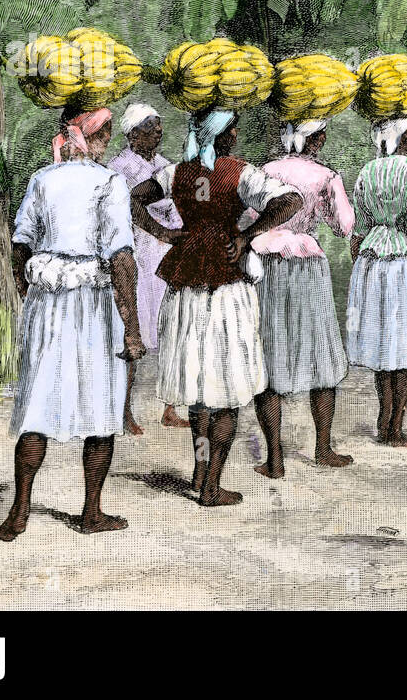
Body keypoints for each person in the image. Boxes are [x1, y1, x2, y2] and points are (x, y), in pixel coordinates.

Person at [130, 109, 302, 506]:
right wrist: (247, 235)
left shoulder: (177, 173)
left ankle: (199, 470)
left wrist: (166, 233)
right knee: (224, 388)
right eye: (232, 129)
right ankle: (211, 486)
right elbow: (291, 200)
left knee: (198, 388)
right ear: (222, 135)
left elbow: (134, 198)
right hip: (225, 286)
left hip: (186, 283)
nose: (237, 134)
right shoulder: (239, 173)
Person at [0, 107, 146, 541]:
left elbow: (20, 244)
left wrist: (32, 297)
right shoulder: (110, 182)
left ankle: (20, 513)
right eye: (106, 134)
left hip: (48, 302)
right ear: (90, 137)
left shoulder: (43, 179)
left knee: (38, 404)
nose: (109, 141)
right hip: (94, 304)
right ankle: (90, 513)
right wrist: (131, 326)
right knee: (100, 407)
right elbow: (121, 258)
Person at [252, 119, 356, 471]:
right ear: (311, 138)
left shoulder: (264, 171)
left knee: (270, 349)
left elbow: (249, 219)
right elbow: (343, 226)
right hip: (308, 265)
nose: (324, 138)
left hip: (268, 264)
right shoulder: (326, 176)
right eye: (320, 133)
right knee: (319, 352)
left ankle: (274, 458)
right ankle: (323, 449)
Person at [346, 117, 407, 448]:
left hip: (372, 264)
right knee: (405, 349)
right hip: (404, 267)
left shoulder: (366, 173)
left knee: (385, 349)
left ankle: (384, 416)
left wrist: (363, 273)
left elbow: (356, 236)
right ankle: (396, 425)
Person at [108, 103, 188, 435]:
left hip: (164, 255)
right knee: (134, 331)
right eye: (151, 126)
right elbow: (122, 212)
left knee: (172, 331)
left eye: (159, 126)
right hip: (137, 255)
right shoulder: (119, 168)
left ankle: (170, 408)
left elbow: (176, 210)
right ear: (133, 133)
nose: (158, 131)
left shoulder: (167, 167)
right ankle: (124, 411)